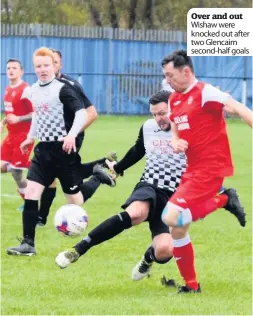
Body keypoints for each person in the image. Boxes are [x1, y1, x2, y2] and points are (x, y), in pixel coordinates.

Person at [54, 90, 243, 282]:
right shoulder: (149, 127)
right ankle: (77, 250)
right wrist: (117, 169)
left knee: (164, 250)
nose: (158, 118)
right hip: (150, 185)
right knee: (135, 213)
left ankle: (148, 258)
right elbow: (138, 150)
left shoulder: (192, 129)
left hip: (176, 197)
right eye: (154, 114)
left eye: (162, 113)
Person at [6, 47, 113, 256]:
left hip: (64, 150)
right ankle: (28, 244)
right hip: (43, 151)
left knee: (76, 201)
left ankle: (98, 175)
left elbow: (82, 113)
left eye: (46, 65)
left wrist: (71, 135)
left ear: (53, 66)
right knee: (31, 192)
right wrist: (30, 137)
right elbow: (37, 115)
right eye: (39, 66)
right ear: (34, 68)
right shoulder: (33, 90)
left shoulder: (63, 89)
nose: (43, 69)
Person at [159, 50, 251, 293]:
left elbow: (240, 108)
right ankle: (192, 286)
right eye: (165, 76)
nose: (167, 80)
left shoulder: (206, 92)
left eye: (170, 75)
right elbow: (176, 128)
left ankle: (223, 199)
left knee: (170, 216)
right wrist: (175, 142)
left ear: (186, 71)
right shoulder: (174, 99)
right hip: (193, 169)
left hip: (211, 168)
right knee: (177, 228)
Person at [37, 48, 115, 227]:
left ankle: (97, 175)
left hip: (69, 140)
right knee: (52, 173)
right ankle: (101, 166)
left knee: (73, 198)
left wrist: (72, 134)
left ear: (59, 65)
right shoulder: (43, 85)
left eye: (54, 62)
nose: (49, 67)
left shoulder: (70, 85)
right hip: (51, 140)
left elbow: (92, 113)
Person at [1, 59, 34, 207]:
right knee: (2, 167)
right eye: (8, 68)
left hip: (24, 136)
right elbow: (10, 113)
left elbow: (36, 113)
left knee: (16, 172)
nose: (11, 70)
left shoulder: (26, 90)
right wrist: (3, 122)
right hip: (10, 136)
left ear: (21, 71)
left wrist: (19, 118)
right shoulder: (8, 89)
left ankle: (29, 201)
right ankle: (31, 165)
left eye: (14, 68)